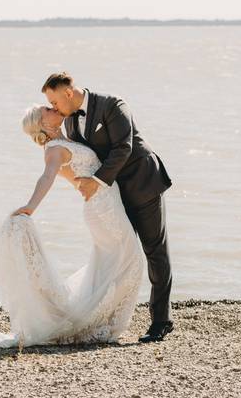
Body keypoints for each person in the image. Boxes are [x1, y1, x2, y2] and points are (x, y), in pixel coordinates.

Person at [0, 103, 145, 348]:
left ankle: (100, 322)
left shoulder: (67, 139)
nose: (53, 109)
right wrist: (31, 206)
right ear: (44, 123)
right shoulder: (54, 149)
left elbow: (77, 179)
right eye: (47, 110)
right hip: (103, 209)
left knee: (114, 262)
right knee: (131, 259)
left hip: (105, 204)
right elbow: (47, 176)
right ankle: (100, 323)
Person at [41, 72, 174, 343]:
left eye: (54, 102)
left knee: (154, 250)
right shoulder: (70, 125)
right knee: (120, 254)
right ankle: (109, 317)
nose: (54, 108)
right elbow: (82, 159)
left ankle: (161, 321)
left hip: (142, 182)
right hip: (112, 195)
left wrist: (96, 182)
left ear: (68, 92)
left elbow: (123, 148)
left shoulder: (113, 105)